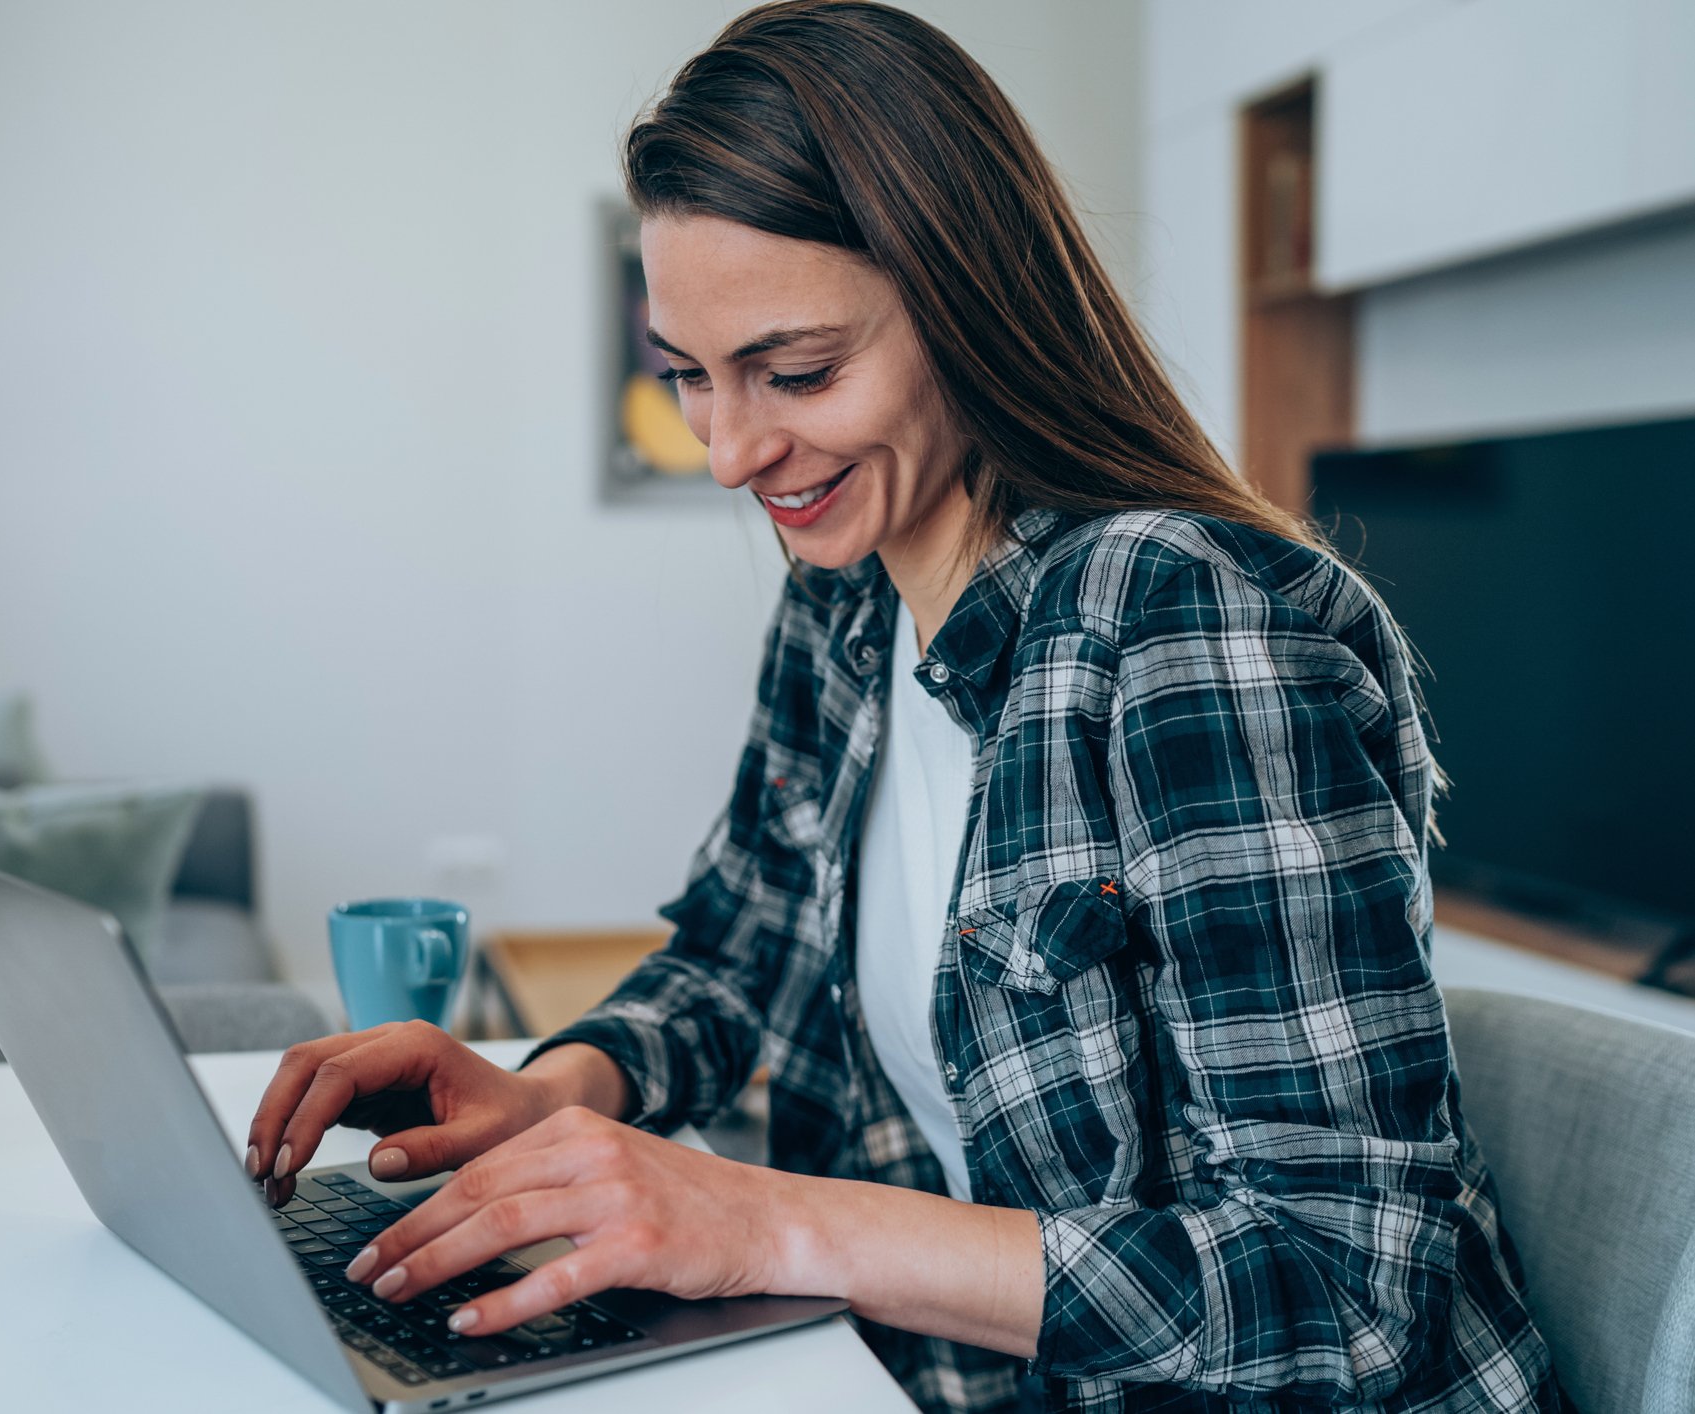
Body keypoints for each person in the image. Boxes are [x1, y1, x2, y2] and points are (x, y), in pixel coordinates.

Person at [244, 4, 1565, 1409]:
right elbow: (737, 951)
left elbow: (1349, 1290)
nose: (731, 451)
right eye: (688, 376)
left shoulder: (1181, 622)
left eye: (795, 371)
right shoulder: (845, 595)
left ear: (968, 303)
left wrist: (767, 1219)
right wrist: (552, 1088)